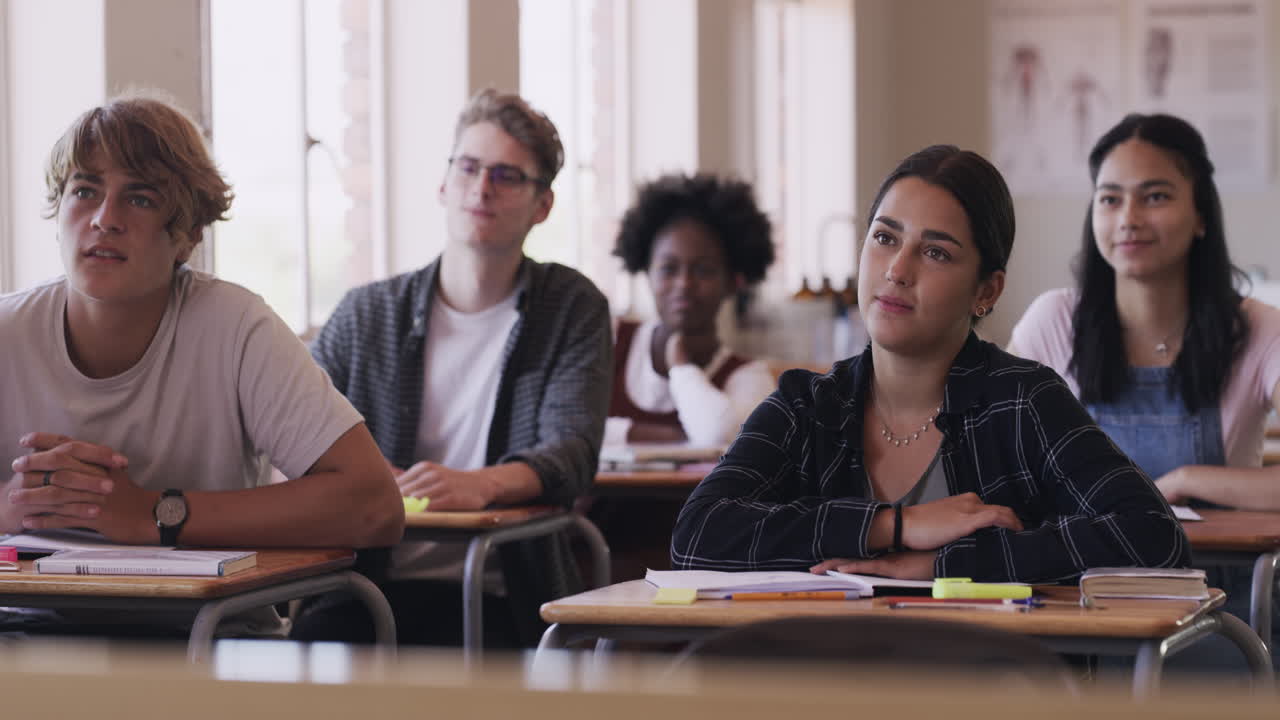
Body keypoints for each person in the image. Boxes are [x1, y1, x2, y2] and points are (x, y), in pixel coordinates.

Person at [671, 145, 1189, 582]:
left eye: (936, 253)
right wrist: (894, 526)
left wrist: (946, 564)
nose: (897, 270)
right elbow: (697, 535)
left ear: (986, 291)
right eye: (884, 238)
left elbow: (1152, 535)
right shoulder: (806, 404)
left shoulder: (1022, 400)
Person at [0, 94, 404, 634]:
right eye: (84, 191)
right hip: (25, 634)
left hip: (208, 640)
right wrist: (10, 508)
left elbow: (375, 505)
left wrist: (153, 514)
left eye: (139, 199)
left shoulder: (237, 327)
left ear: (188, 236)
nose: (103, 219)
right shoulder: (8, 331)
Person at [295, 89, 612, 646]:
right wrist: (366, 480)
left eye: (507, 175)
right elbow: (291, 438)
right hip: (363, 584)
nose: (481, 188)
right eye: (468, 167)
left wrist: (478, 486)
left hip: (507, 592)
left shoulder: (569, 305)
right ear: (444, 184)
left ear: (543, 206)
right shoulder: (367, 312)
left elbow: (571, 455)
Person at [1007, 113, 1280, 663]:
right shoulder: (1053, 320)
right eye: (1110, 199)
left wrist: (1184, 479)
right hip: (1071, 612)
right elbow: (1001, 476)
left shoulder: (1259, 330)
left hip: (1220, 622)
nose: (1128, 218)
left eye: (1155, 196)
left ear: (1201, 213)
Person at [607, 173, 776, 448]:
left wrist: (682, 367)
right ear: (647, 273)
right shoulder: (609, 342)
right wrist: (677, 437)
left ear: (733, 282)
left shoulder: (750, 377)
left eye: (704, 270)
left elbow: (721, 438)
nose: (684, 284)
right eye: (668, 269)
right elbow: (566, 432)